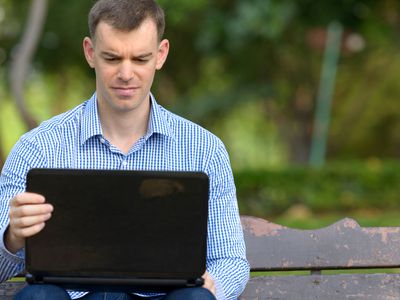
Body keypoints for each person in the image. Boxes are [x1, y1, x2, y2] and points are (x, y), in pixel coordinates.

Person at [0, 0, 250, 299]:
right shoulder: (37, 148)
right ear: (91, 53)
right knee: (38, 296)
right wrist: (11, 237)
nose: (126, 74)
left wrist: (214, 286)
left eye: (140, 59)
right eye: (112, 58)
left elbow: (231, 260)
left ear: (161, 54)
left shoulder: (205, 150)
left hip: (165, 297)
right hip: (70, 295)